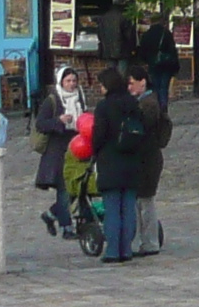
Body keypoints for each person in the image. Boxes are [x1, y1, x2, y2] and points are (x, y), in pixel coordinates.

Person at [88, 66, 149, 264]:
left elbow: (98, 136)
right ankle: (127, 249)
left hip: (110, 160)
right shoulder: (133, 103)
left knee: (112, 209)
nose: (100, 88)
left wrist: (94, 152)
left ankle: (113, 250)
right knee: (129, 208)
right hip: (131, 161)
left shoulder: (104, 107)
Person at [36, 64, 88, 239]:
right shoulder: (53, 99)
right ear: (61, 82)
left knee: (78, 187)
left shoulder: (80, 97)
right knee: (64, 189)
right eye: (68, 81)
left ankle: (51, 215)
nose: (72, 84)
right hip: (58, 150)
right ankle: (67, 227)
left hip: (77, 145)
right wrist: (58, 120)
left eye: (74, 80)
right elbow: (40, 123)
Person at [129, 71, 174, 257]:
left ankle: (148, 242)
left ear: (143, 82)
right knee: (143, 201)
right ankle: (146, 241)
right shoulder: (148, 102)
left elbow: (144, 132)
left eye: (132, 83)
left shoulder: (148, 105)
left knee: (145, 202)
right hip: (149, 157)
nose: (129, 87)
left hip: (147, 158)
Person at [136, 13, 182, 102]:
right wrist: (176, 67)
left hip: (152, 64)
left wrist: (146, 61)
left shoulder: (146, 35)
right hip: (166, 65)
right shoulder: (166, 33)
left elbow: (142, 51)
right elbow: (172, 50)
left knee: (155, 88)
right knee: (164, 88)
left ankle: (157, 109)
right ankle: (163, 109)